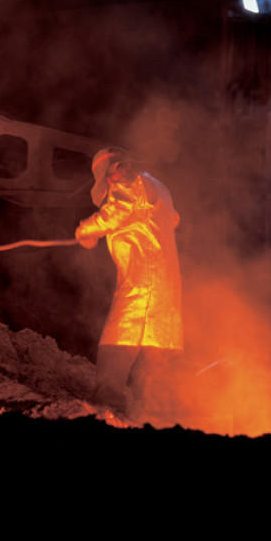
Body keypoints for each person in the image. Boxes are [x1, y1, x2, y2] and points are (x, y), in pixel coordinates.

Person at [75, 147, 184, 417]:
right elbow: (172, 218)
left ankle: (107, 403)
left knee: (119, 336)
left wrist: (86, 230)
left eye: (110, 174)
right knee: (158, 344)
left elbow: (115, 213)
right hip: (165, 281)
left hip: (143, 279)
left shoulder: (128, 183)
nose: (112, 180)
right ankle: (161, 410)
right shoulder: (158, 186)